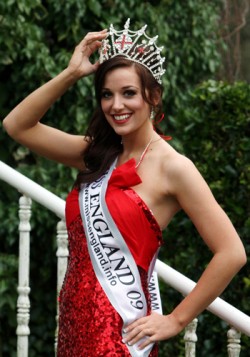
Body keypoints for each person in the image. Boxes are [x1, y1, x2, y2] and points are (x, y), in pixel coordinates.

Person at [3, 19, 246, 357]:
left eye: (128, 93)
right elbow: (17, 125)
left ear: (154, 96)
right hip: (73, 325)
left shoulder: (174, 167)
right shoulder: (98, 154)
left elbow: (232, 252)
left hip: (121, 336)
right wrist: (72, 73)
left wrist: (177, 320)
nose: (116, 106)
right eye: (107, 94)